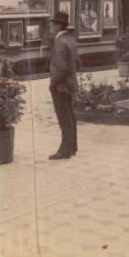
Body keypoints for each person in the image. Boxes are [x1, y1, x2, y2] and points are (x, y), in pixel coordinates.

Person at [48, 9, 78, 160]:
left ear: (59, 25)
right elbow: (76, 62)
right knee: (70, 116)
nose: (51, 26)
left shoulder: (59, 42)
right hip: (70, 83)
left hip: (61, 85)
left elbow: (61, 67)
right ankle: (72, 147)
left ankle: (65, 150)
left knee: (64, 118)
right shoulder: (70, 40)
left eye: (53, 23)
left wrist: (52, 84)